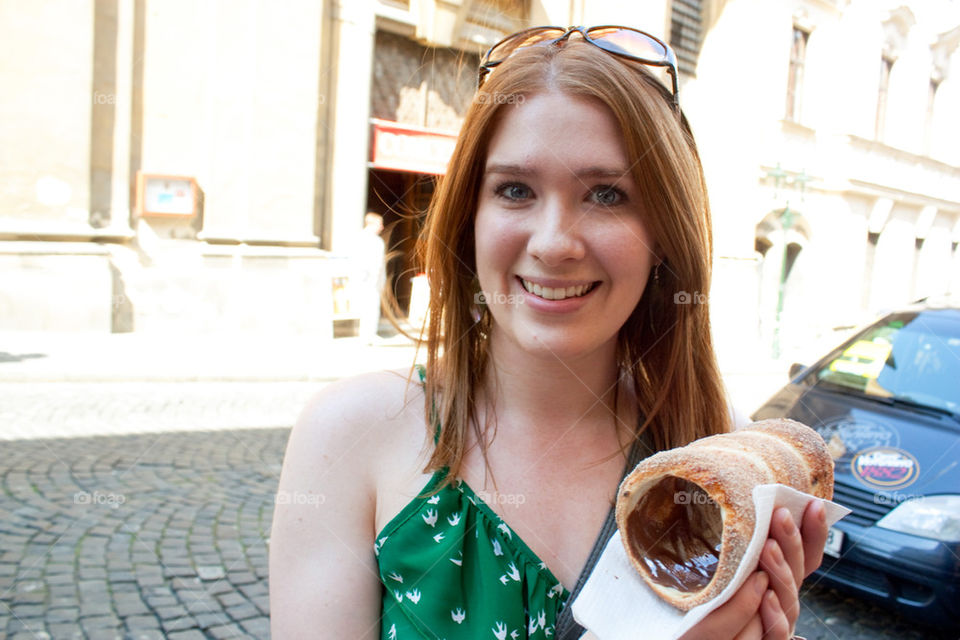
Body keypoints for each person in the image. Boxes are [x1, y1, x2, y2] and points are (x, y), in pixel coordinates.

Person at [269, 26, 827, 639]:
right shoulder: (352, 433)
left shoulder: (720, 449)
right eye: (515, 190)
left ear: (663, 234)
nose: (555, 242)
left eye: (607, 195)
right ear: (468, 219)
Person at [355, 212, 386, 344]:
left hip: (375, 280)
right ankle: (366, 335)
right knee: (367, 307)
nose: (382, 227)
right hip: (366, 279)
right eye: (379, 224)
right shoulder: (362, 238)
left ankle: (371, 334)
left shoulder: (378, 241)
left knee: (373, 307)